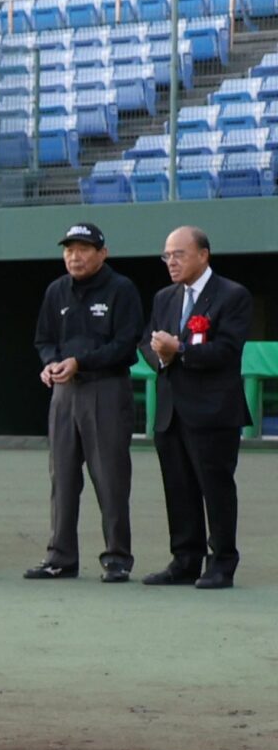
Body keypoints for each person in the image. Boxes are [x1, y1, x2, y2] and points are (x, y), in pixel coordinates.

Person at [28, 221, 145, 582]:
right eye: (68, 250)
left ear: (102, 253)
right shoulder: (56, 290)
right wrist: (51, 363)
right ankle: (60, 557)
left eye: (82, 249)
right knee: (61, 476)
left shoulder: (121, 289)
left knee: (110, 476)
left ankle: (117, 557)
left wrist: (81, 362)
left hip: (106, 389)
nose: (74, 257)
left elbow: (126, 345)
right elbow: (44, 339)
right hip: (64, 393)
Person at [142, 225, 253, 588]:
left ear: (203, 255)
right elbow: (147, 342)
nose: (171, 262)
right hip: (170, 412)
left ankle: (221, 563)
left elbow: (227, 350)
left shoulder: (232, 295)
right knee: (178, 488)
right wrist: (162, 355)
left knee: (216, 489)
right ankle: (184, 560)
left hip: (213, 413)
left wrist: (181, 350)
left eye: (179, 254)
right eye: (167, 256)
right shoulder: (164, 297)